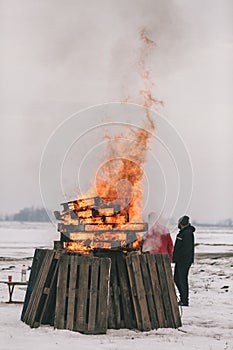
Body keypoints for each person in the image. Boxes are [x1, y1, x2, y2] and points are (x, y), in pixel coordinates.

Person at [172, 215, 195, 306]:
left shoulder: (187, 233)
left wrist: (180, 258)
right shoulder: (183, 232)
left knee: (182, 280)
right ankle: (183, 298)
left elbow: (186, 249)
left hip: (184, 261)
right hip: (180, 260)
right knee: (177, 279)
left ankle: (184, 300)